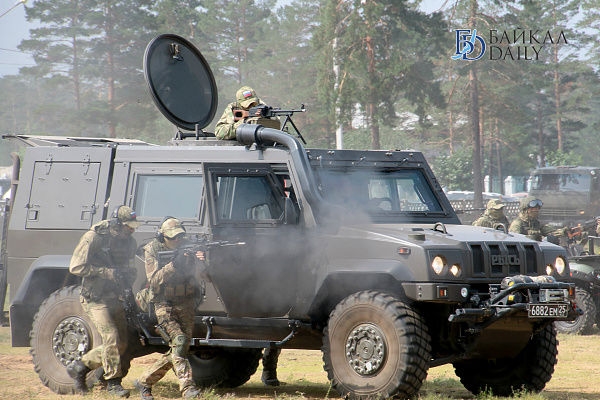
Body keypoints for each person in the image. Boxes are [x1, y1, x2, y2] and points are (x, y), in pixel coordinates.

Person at [67, 205, 141, 397]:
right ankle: (113, 383)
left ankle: (80, 367)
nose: (132, 230)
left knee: (122, 343)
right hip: (95, 298)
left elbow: (131, 267)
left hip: (115, 297)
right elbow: (75, 266)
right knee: (112, 338)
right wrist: (105, 273)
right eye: (128, 226)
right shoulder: (95, 238)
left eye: (133, 226)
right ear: (117, 223)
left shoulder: (129, 242)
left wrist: (127, 279)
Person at [133, 217, 205, 400]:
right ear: (162, 236)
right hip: (163, 303)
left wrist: (201, 260)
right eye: (173, 237)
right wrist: (175, 264)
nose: (177, 240)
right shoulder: (153, 249)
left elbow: (205, 276)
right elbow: (154, 279)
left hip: (186, 302)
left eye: (180, 236)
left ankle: (144, 381)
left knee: (179, 349)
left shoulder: (188, 247)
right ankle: (188, 388)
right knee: (179, 341)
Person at [214, 86, 279, 140]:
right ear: (239, 104)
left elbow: (279, 132)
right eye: (247, 105)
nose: (251, 107)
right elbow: (219, 133)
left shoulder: (264, 108)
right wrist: (244, 122)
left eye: (253, 104)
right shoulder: (232, 108)